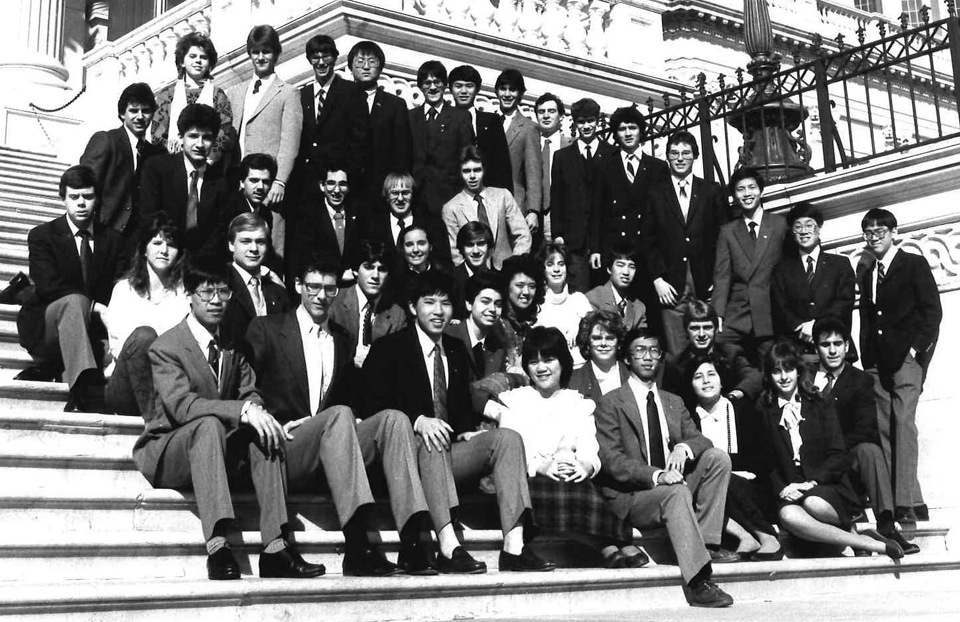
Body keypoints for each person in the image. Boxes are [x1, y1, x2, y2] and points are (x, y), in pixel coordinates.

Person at [132, 259, 323, 580]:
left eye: (223, 292)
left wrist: (258, 412)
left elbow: (250, 393)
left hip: (217, 448)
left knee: (264, 431)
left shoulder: (233, 344)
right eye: (207, 293)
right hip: (170, 450)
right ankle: (219, 546)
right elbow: (182, 408)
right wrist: (241, 411)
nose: (216, 301)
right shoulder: (166, 347)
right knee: (208, 425)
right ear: (189, 296)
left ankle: (276, 547)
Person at [360, 270, 556, 574]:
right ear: (413, 307)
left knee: (508, 439)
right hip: (404, 460)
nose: (438, 312)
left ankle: (515, 547)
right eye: (429, 303)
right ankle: (449, 546)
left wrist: (466, 431)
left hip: (445, 453)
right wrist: (417, 421)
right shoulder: (389, 348)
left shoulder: (453, 349)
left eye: (445, 304)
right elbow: (371, 406)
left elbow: (461, 409)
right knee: (434, 436)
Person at [245, 258, 430, 577]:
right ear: (298, 287)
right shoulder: (268, 329)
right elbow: (245, 382)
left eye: (329, 289)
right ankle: (358, 544)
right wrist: (263, 413)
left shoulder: (342, 339)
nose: (321, 295)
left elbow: (348, 399)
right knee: (340, 415)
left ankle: (412, 543)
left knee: (394, 419)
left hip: (334, 446)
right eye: (313, 287)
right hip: (286, 444)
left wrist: (356, 419)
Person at [594, 328, 736, 607]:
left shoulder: (673, 401)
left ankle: (705, 543)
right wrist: (657, 475)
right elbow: (613, 461)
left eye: (654, 351)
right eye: (640, 351)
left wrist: (684, 447)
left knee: (718, 458)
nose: (648, 357)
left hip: (674, 488)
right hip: (634, 497)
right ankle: (698, 581)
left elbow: (700, 438)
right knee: (674, 492)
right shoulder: (611, 402)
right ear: (626, 358)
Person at [483, 326, 640, 568]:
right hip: (525, 479)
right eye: (534, 362)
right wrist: (542, 466)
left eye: (548, 359)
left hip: (567, 479)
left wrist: (584, 466)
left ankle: (612, 545)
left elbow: (590, 449)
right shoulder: (514, 401)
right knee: (559, 489)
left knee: (576, 482)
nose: (541, 368)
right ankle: (610, 544)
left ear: (562, 363)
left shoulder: (578, 403)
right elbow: (511, 453)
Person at [755, 340, 905, 560]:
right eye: (777, 371)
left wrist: (810, 483)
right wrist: (784, 489)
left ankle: (853, 529)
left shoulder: (819, 402)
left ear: (798, 371)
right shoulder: (763, 410)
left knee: (813, 503)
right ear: (769, 376)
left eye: (788, 369)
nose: (784, 377)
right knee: (788, 515)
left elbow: (837, 453)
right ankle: (861, 540)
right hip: (789, 489)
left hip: (824, 485)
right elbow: (766, 462)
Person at [856, 207, 941, 522]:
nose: (875, 236)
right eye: (869, 231)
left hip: (906, 360)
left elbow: (932, 311)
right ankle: (908, 499)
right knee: (885, 430)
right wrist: (867, 358)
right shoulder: (866, 271)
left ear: (894, 233)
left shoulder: (913, 264)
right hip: (876, 363)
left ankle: (903, 503)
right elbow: (868, 316)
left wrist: (918, 352)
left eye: (881, 230)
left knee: (903, 425)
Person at [17, 165, 125, 412]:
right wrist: (95, 306)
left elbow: (119, 286)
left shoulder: (113, 240)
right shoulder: (43, 236)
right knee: (76, 301)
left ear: (96, 199)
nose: (81, 203)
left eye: (87, 196)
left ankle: (66, 377)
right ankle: (83, 390)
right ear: (62, 198)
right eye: (74, 197)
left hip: (90, 332)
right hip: (46, 326)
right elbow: (47, 286)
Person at [812, 316, 919, 554]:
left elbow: (864, 430)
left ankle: (887, 524)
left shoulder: (860, 380)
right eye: (825, 345)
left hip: (844, 460)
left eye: (837, 344)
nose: (832, 351)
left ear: (847, 346)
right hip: (812, 459)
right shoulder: (805, 376)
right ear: (816, 347)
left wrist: (836, 452)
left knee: (869, 449)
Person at [640, 131, 730, 354]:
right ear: (668, 158)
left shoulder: (711, 191)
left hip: (705, 282)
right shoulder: (655, 194)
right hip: (671, 286)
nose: (680, 158)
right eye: (674, 153)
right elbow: (647, 240)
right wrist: (657, 279)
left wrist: (717, 278)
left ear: (695, 156)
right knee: (678, 352)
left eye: (686, 153)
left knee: (709, 346)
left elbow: (725, 238)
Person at [685, 355, 782, 561]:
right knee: (713, 478)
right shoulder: (688, 418)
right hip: (708, 491)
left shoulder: (744, 410)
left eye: (711, 374)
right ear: (691, 384)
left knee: (721, 474)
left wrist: (727, 466)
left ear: (721, 380)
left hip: (750, 489)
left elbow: (764, 456)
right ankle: (751, 536)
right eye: (698, 377)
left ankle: (764, 535)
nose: (706, 381)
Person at [226, 25, 303, 261]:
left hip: (268, 186)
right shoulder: (234, 92)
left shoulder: (288, 93)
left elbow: (290, 142)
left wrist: (279, 182)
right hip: (238, 184)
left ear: (276, 54)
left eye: (266, 51)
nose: (260, 57)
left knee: (269, 246)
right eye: (255, 51)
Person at [105, 213, 189, 416]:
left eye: (171, 245)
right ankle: (156, 424)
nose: (164, 250)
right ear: (144, 249)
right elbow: (120, 346)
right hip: (126, 387)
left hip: (169, 383)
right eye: (157, 242)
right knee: (143, 335)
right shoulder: (124, 290)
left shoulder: (186, 295)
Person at [591, 106, 669, 309]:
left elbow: (665, 214)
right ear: (615, 134)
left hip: (647, 251)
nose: (627, 133)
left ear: (641, 131)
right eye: (622, 129)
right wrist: (596, 249)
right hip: (616, 251)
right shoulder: (604, 166)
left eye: (632, 128)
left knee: (649, 309)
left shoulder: (657, 168)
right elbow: (596, 209)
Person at [712, 167, 787, 365]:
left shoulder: (779, 225)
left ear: (761, 191)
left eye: (752, 187)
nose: (747, 194)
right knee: (719, 351)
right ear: (734, 196)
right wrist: (717, 314)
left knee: (771, 368)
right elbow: (722, 276)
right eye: (740, 189)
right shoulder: (728, 232)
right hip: (738, 314)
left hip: (769, 312)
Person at [138, 103, 232, 259]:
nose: (200, 144)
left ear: (214, 140)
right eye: (193, 136)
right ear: (181, 137)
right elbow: (149, 218)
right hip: (162, 256)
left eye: (207, 138)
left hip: (201, 264)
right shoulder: (157, 169)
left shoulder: (220, 183)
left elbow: (218, 233)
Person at [79, 83, 166, 249]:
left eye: (146, 111)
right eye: (133, 111)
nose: (140, 117)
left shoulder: (155, 153)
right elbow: (84, 186)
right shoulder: (107, 140)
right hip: (105, 234)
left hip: (138, 243)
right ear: (122, 114)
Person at [771, 202, 855, 353]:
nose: (804, 231)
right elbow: (780, 307)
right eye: (798, 227)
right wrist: (800, 326)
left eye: (809, 225)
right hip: (797, 349)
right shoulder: (781, 270)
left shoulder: (840, 264)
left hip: (834, 345)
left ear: (819, 228)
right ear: (792, 232)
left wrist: (817, 326)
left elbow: (844, 302)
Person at [550, 98, 614, 292]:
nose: (586, 126)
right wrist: (558, 234)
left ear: (597, 120)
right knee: (577, 294)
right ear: (575, 123)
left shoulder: (611, 154)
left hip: (603, 242)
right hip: (573, 241)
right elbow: (557, 198)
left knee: (603, 296)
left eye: (590, 121)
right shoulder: (562, 157)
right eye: (581, 122)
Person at [295, 35, 369, 193]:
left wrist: (346, 177)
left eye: (326, 56)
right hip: (306, 184)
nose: (321, 62)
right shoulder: (301, 95)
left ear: (335, 58)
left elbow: (360, 141)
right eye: (315, 58)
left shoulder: (351, 92)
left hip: (339, 184)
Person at [661, 300, 763, 410]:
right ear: (686, 330)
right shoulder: (676, 364)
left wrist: (734, 396)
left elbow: (754, 377)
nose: (701, 334)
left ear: (716, 329)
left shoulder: (730, 353)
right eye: (695, 328)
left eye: (707, 327)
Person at [152, 32, 234, 169]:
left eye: (203, 57)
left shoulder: (218, 96)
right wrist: (170, 148)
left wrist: (209, 156)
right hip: (172, 164)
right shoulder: (167, 95)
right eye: (192, 56)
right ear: (182, 62)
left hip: (207, 166)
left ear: (209, 64)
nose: (198, 61)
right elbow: (156, 132)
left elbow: (224, 132)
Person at [442, 145, 531, 269]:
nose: (472, 176)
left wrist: (514, 265)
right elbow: (455, 251)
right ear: (460, 173)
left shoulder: (502, 196)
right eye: (466, 171)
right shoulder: (451, 208)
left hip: (505, 272)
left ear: (484, 170)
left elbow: (523, 235)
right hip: (474, 276)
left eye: (477, 170)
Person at [348, 41, 413, 209]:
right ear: (351, 67)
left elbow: (402, 150)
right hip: (348, 187)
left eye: (372, 61)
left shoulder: (395, 105)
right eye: (360, 61)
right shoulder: (341, 101)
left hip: (383, 188)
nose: (366, 67)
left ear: (381, 67)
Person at [328, 239, 407, 373]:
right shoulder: (334, 303)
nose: (375, 276)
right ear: (355, 271)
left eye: (382, 270)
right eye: (369, 267)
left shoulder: (397, 314)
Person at [409, 60, 474, 219]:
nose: (432, 87)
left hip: (449, 198)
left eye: (437, 82)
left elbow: (468, 158)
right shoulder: (409, 117)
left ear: (445, 85)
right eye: (427, 83)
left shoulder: (460, 117)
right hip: (416, 199)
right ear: (420, 87)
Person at [220, 213, 288, 344]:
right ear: (231, 245)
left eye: (260, 242)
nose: (254, 249)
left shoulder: (278, 292)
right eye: (245, 241)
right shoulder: (222, 285)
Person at [354, 172, 450, 264]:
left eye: (405, 193)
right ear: (387, 196)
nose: (400, 199)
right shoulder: (372, 225)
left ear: (413, 195)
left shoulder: (432, 225)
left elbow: (443, 261)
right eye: (395, 193)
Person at [292, 166, 365, 284]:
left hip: (354, 284)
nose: (336, 190)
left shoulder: (359, 213)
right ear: (322, 186)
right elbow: (308, 254)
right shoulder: (309, 215)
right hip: (322, 283)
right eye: (331, 183)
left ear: (348, 187)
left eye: (342, 184)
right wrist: (339, 273)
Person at [448, 64, 512, 191]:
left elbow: (502, 166)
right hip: (453, 196)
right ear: (450, 88)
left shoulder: (492, 121)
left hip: (487, 194)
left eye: (469, 86)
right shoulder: (444, 121)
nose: (464, 91)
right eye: (458, 86)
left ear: (477, 89)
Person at [495, 69, 541, 234]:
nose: (507, 94)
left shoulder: (529, 128)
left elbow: (533, 173)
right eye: (503, 89)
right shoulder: (489, 122)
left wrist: (533, 211)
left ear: (520, 94)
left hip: (515, 203)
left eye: (512, 89)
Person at [535, 243, 593, 369]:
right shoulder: (536, 303)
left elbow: (594, 331)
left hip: (581, 368)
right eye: (550, 264)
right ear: (543, 269)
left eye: (561, 264)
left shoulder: (579, 299)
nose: (556, 269)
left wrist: (581, 329)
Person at [227, 153, 282, 274]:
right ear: (242, 182)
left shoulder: (265, 213)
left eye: (266, 182)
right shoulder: (228, 209)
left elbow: (267, 254)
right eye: (254, 180)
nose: (260, 187)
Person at [445, 272, 507, 379]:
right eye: (485, 302)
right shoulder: (449, 337)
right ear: (469, 304)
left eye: (498, 304)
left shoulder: (498, 346)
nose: (492, 309)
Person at [568, 310, 630, 402]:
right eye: (597, 338)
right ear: (587, 342)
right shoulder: (573, 381)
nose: (603, 343)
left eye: (610, 338)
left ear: (619, 342)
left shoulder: (633, 376)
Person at [585, 242, 648, 331]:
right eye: (620, 265)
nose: (626, 272)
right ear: (609, 269)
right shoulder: (594, 298)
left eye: (631, 266)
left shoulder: (639, 307)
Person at [535, 93, 572, 242]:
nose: (546, 116)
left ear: (561, 116)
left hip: (562, 213)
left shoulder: (572, 146)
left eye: (551, 111)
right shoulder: (530, 144)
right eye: (541, 112)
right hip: (534, 214)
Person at [499, 254, 545, 373]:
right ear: (507, 286)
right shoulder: (496, 325)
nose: (526, 292)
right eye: (519, 285)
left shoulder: (530, 328)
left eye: (532, 286)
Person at [451, 221, 495, 320]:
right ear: (461, 249)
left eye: (481, 244)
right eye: (469, 245)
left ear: (489, 248)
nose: (475, 251)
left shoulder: (496, 280)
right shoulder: (450, 281)